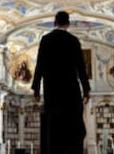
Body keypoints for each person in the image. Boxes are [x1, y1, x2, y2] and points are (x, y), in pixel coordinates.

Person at [32, 11, 90, 154]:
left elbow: (39, 65)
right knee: (73, 124)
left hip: (52, 90)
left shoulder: (46, 39)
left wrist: (36, 88)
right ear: (68, 24)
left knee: (54, 126)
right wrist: (86, 90)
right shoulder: (74, 41)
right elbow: (81, 67)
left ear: (54, 23)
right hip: (70, 89)